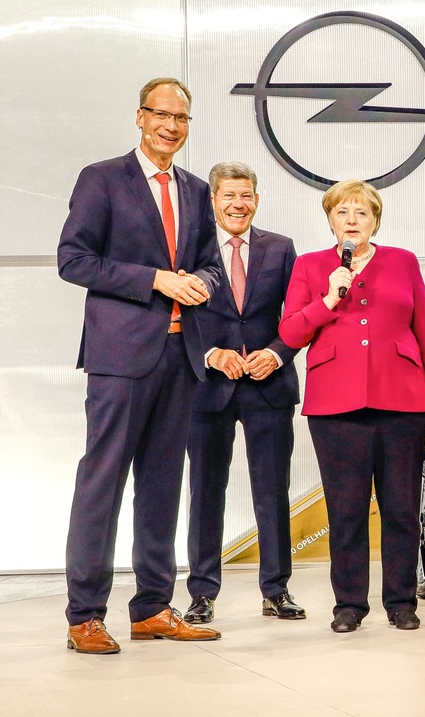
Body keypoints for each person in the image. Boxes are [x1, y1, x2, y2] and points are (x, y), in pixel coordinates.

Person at [57, 77, 223, 654]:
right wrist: (155, 279)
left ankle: (152, 605)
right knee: (101, 484)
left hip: (180, 358)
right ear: (140, 117)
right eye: (161, 115)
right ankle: (85, 615)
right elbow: (73, 260)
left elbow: (211, 267)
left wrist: (200, 281)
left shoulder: (197, 191)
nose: (170, 127)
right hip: (120, 359)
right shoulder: (102, 179)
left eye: (181, 119)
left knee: (161, 487)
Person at [279, 179, 425, 633]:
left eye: (361, 213)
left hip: (403, 400)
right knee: (347, 509)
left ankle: (401, 600)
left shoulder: (403, 261)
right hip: (335, 405)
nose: (351, 220)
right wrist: (328, 298)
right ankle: (349, 605)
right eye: (342, 213)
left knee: (400, 507)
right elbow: (291, 333)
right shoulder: (311, 266)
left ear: (375, 220)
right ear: (330, 219)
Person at [182, 161, 305, 625]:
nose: (239, 204)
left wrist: (275, 353)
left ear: (258, 199)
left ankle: (276, 590)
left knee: (272, 491)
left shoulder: (282, 248)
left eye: (247, 195)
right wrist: (212, 354)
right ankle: (201, 594)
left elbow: (296, 317)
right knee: (205, 492)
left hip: (268, 386)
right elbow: (180, 318)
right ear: (212, 200)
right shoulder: (191, 252)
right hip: (207, 388)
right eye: (229, 196)